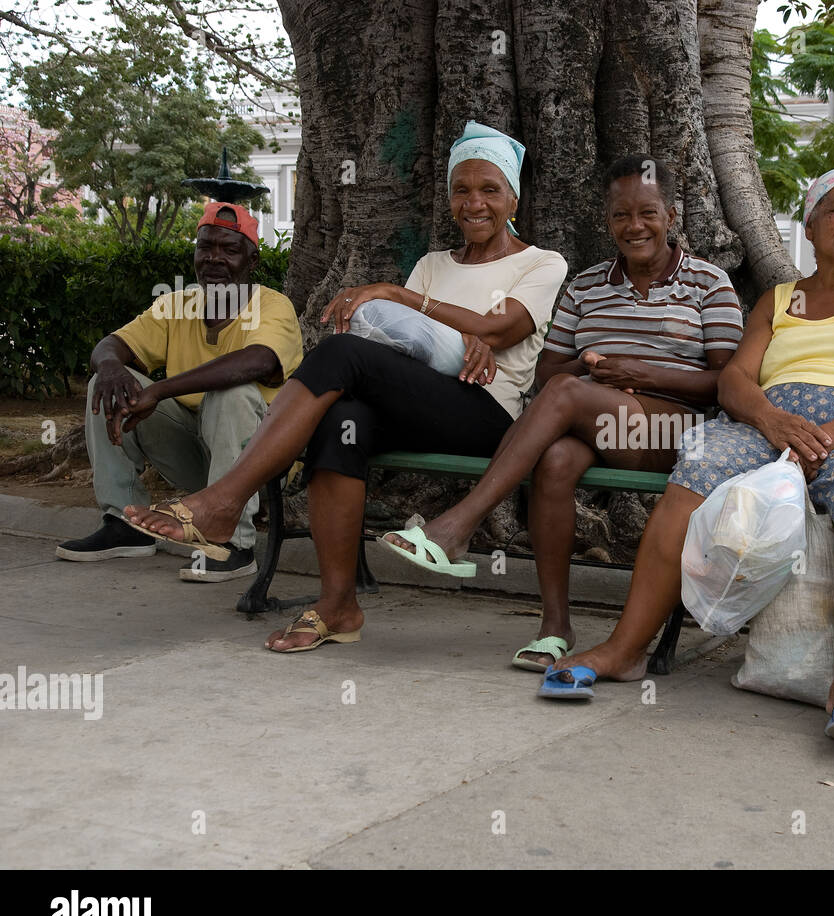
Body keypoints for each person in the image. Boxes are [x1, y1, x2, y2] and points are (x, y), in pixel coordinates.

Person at [123, 121, 568, 651]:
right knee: (342, 419)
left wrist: (400, 297)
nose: (474, 203)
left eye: (490, 189)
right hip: (421, 401)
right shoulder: (432, 264)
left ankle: (222, 502)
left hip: (487, 416)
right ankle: (337, 606)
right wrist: (452, 328)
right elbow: (406, 343)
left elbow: (500, 328)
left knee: (339, 354)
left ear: (513, 196)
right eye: (461, 189)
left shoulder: (542, 262)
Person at [538, 167, 834, 751]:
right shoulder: (779, 299)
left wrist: (828, 435)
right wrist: (772, 420)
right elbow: (735, 380)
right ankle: (625, 650)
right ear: (809, 223)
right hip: (771, 420)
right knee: (697, 467)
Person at [380, 154, 743, 672]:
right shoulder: (587, 285)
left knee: (570, 395)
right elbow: (548, 373)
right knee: (554, 459)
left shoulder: (710, 283)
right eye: (620, 215)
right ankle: (555, 626)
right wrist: (590, 365)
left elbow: (725, 385)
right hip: (591, 418)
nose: (634, 226)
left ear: (673, 214)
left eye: (647, 213)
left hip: (674, 431)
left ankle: (458, 525)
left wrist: (639, 374)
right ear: (607, 219)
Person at [56, 202, 303, 583]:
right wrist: (108, 367)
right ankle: (126, 524)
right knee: (106, 385)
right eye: (205, 248)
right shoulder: (176, 303)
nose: (214, 259)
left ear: (252, 261)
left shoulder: (273, 306)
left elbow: (256, 362)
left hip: (260, 465)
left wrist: (162, 390)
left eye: (229, 250)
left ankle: (233, 544)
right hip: (198, 456)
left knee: (233, 393)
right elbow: (112, 344)